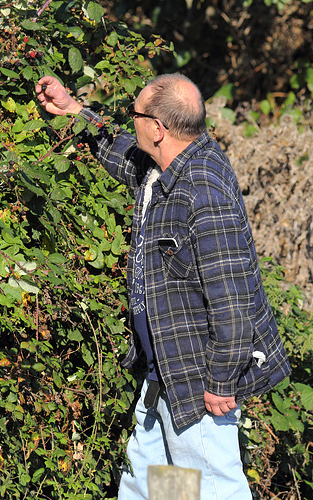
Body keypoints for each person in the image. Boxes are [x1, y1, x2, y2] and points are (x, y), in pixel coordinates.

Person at [36, 73, 290, 500]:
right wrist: (74, 112)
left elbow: (232, 299)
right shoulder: (165, 167)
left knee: (211, 490)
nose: (129, 121)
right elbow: (121, 152)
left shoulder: (203, 191)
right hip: (162, 376)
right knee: (153, 488)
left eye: (134, 114)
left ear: (158, 128)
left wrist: (222, 382)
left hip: (198, 384)